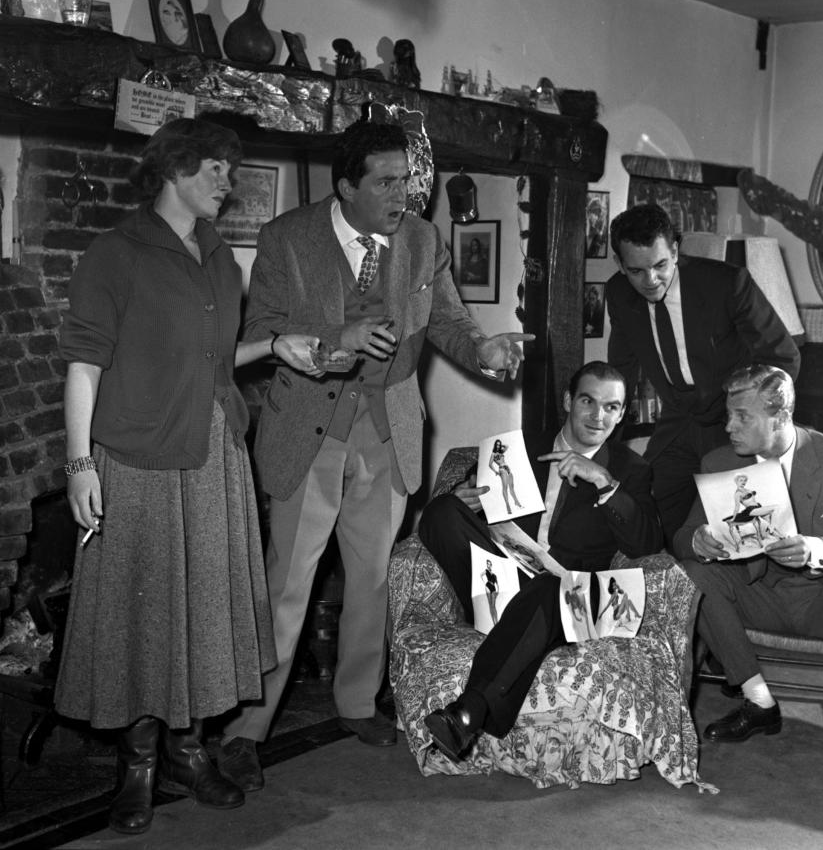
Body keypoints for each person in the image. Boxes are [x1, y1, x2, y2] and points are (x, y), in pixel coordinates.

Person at [218, 119, 532, 789]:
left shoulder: (421, 240)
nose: (403, 195)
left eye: (408, 180)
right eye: (387, 182)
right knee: (287, 585)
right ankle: (247, 728)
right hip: (309, 429)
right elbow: (264, 333)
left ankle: (356, 702)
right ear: (346, 188)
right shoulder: (287, 240)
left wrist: (483, 349)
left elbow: (447, 319)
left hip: (388, 431)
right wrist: (338, 334)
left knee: (373, 581)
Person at [54, 118, 323, 836]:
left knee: (204, 608)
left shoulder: (218, 259)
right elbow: (83, 365)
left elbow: (211, 357)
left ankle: (186, 749)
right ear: (174, 169)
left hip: (210, 451)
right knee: (142, 614)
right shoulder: (115, 254)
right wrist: (80, 463)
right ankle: (138, 763)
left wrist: (275, 346)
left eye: (232, 172)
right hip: (135, 454)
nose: (228, 185)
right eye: (216, 171)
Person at [673, 365, 823, 816]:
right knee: (693, 573)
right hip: (759, 597)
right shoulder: (719, 463)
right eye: (728, 415)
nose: (729, 426)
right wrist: (696, 539)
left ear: (780, 416)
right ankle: (759, 703)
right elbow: (682, 536)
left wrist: (820, 548)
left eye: (742, 417)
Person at [417, 361, 662, 759]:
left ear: (620, 414)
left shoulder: (631, 470)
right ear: (568, 400)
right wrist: (465, 497)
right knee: (442, 511)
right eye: (588, 401)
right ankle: (505, 627)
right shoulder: (519, 446)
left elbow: (647, 544)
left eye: (611, 407)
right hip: (505, 578)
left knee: (551, 585)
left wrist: (604, 482)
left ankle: (468, 712)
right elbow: (469, 500)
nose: (598, 416)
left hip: (569, 599)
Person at [606, 202, 800, 548]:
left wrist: (753, 419)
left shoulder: (726, 283)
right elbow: (618, 373)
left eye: (661, 265)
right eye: (636, 271)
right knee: (656, 522)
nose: (651, 281)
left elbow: (783, 357)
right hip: (677, 423)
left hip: (732, 425)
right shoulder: (618, 295)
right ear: (620, 265)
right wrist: (598, 440)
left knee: (739, 539)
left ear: (676, 251)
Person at [489, 438, 522, 514]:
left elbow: (507, 446)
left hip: (507, 468)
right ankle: (508, 506)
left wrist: (501, 446)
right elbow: (490, 464)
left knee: (511, 486)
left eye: (499, 444)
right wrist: (495, 471)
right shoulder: (493, 454)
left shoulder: (501, 451)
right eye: (497, 444)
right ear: (495, 445)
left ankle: (516, 502)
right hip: (502, 469)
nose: (498, 446)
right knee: (505, 487)